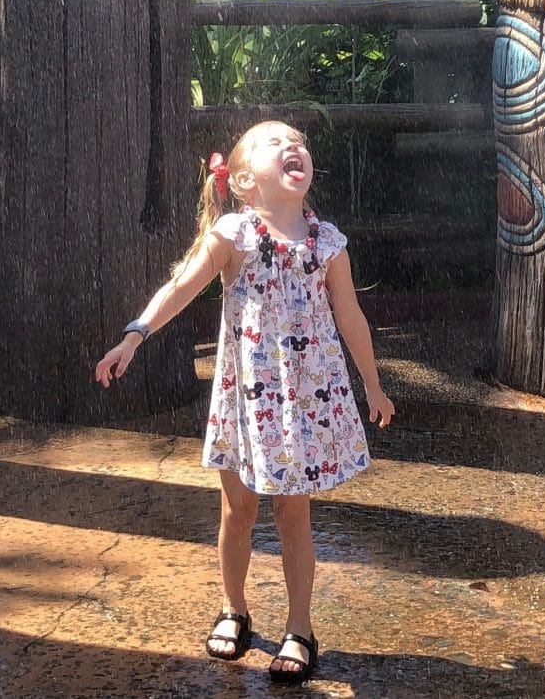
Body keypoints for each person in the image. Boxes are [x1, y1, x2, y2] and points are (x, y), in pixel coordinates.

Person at [95, 120, 395, 684]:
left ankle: (300, 628)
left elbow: (351, 317)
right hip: (246, 399)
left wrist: (372, 384)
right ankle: (234, 607)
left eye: (298, 141)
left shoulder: (327, 243)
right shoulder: (235, 235)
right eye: (273, 142)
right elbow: (182, 285)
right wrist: (135, 334)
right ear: (241, 181)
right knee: (238, 510)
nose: (292, 146)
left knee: (293, 513)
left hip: (304, 400)